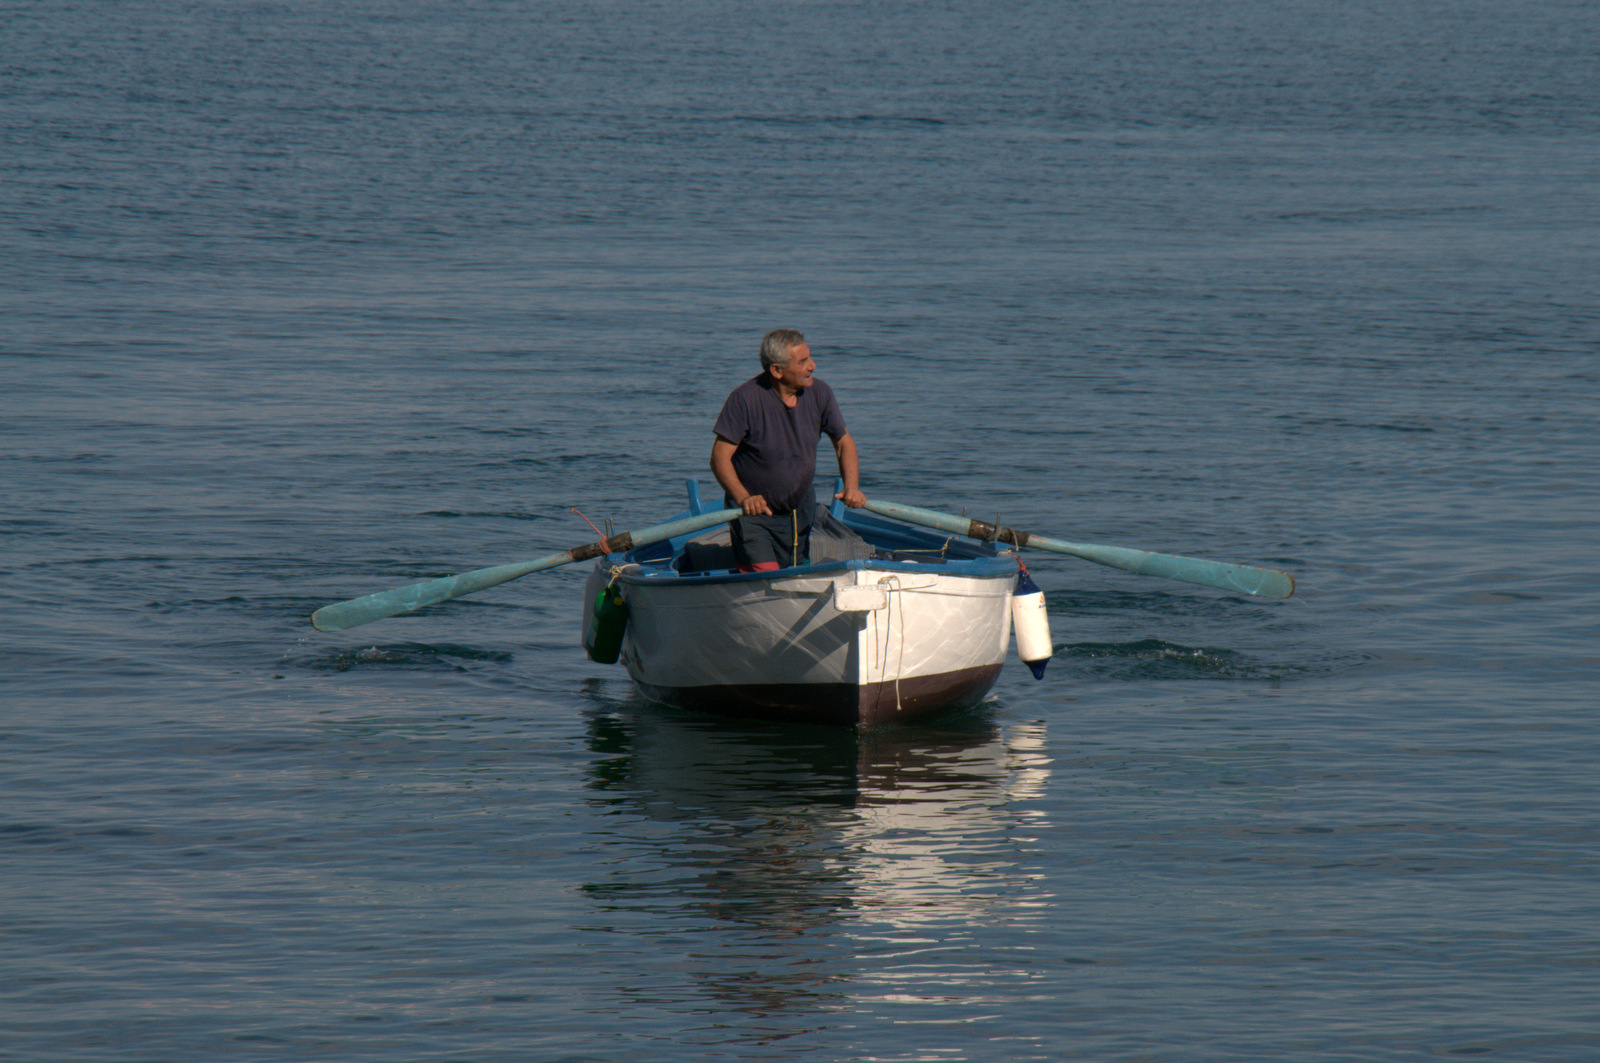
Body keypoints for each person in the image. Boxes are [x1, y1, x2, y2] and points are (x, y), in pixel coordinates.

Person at [710, 328, 867, 572]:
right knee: (769, 576)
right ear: (777, 371)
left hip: (799, 512)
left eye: (810, 357)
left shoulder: (820, 393)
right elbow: (719, 457)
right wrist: (743, 498)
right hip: (753, 514)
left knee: (797, 573)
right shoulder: (744, 399)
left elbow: (843, 442)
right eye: (803, 361)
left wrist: (852, 487)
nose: (813, 366)